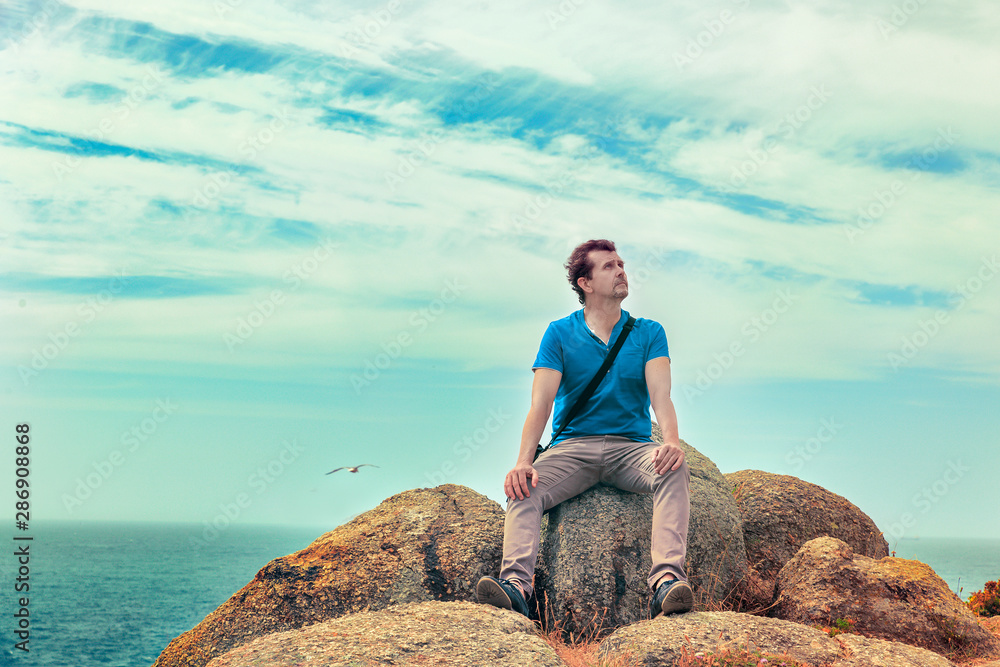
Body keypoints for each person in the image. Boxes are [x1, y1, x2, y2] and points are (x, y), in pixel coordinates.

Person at [475, 239, 692, 619]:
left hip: (631, 448)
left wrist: (671, 442)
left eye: (621, 263)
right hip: (573, 449)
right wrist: (523, 461)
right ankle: (516, 588)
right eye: (609, 266)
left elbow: (662, 396)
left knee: (674, 468)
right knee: (524, 487)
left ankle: (667, 584)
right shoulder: (559, 333)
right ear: (585, 283)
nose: (621, 270)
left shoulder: (648, 332)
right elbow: (540, 404)